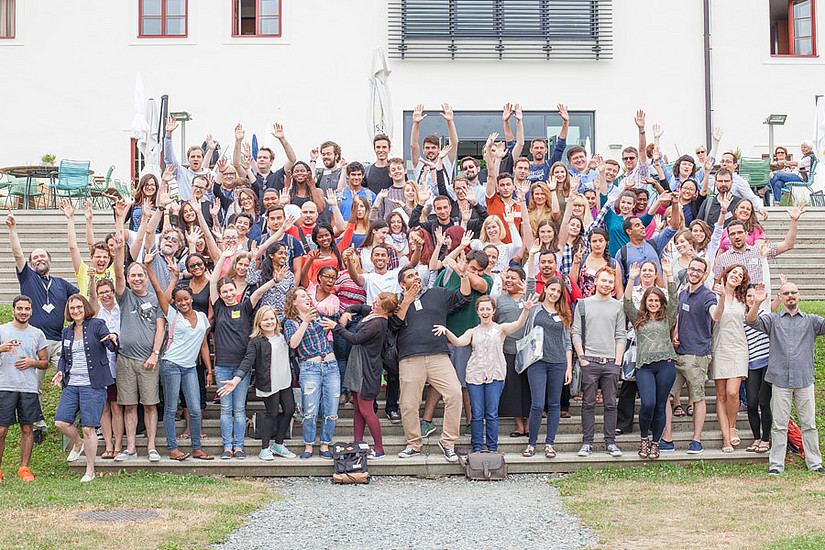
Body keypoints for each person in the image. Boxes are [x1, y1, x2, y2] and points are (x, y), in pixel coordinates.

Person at [434, 294, 536, 453]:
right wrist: (446, 331)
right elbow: (459, 342)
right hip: (475, 375)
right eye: (482, 309)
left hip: (495, 374)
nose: (485, 312)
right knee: (477, 413)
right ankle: (476, 447)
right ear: (478, 312)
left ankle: (492, 448)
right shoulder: (473, 331)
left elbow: (517, 324)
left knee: (492, 413)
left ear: (493, 311)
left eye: (488, 309)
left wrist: (526, 311)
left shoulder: (500, 329)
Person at [392, 261, 472, 462]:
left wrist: (463, 275)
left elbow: (464, 297)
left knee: (454, 394)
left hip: (439, 355)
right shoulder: (396, 301)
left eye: (416, 274)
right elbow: (393, 325)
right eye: (410, 276)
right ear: (402, 284)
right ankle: (413, 444)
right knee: (408, 404)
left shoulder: (437, 293)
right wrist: (406, 302)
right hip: (410, 359)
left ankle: (448, 443)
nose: (416, 277)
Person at [7, 210, 79, 434]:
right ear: (31, 263)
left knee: (73, 376)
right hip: (33, 340)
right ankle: (37, 425)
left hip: (58, 340)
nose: (40, 259)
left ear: (49, 261)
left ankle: (72, 417)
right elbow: (18, 254)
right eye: (35, 257)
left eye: (43, 257)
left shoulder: (61, 283)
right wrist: (12, 229)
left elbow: (80, 299)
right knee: (32, 386)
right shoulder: (27, 278)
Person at [746, 281, 825, 476]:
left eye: (793, 292)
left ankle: (814, 463)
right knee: (779, 425)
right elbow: (751, 321)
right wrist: (757, 303)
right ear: (780, 297)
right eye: (786, 293)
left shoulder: (811, 321)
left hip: (804, 380)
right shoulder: (772, 320)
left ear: (799, 296)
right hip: (780, 381)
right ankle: (776, 464)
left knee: (809, 425)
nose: (790, 295)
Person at [145, 252, 213, 461]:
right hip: (171, 365)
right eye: (179, 300)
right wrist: (149, 267)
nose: (183, 303)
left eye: (186, 299)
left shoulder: (202, 317)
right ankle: (173, 448)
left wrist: (209, 370)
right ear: (174, 302)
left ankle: (197, 447)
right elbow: (158, 290)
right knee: (171, 407)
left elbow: (202, 344)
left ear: (191, 298)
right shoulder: (172, 314)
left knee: (194, 408)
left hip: (191, 368)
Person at [211, 247, 277, 459]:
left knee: (239, 409)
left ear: (235, 291)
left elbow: (257, 292)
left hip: (242, 368)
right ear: (220, 295)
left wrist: (275, 281)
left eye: (231, 290)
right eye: (225, 292)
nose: (229, 294)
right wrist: (222, 257)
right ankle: (227, 447)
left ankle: (238, 446)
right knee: (225, 410)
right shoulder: (219, 307)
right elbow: (213, 282)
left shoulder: (245, 307)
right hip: (222, 366)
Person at [320, 292, 399, 459]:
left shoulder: (378, 322)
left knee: (366, 409)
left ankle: (379, 449)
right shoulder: (373, 312)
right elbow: (358, 307)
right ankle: (358, 443)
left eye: (377, 303)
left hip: (367, 368)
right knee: (357, 409)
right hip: (357, 364)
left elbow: (355, 339)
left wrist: (336, 327)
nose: (373, 303)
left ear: (384, 309)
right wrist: (348, 311)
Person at [53, 294, 118, 482]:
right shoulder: (66, 331)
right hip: (72, 384)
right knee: (61, 422)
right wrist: (60, 372)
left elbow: (111, 346)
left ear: (85, 307)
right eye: (72, 308)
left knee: (89, 428)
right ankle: (78, 443)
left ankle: (90, 470)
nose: (76, 311)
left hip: (93, 385)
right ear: (68, 311)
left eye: (79, 307)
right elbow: (64, 357)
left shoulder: (97, 324)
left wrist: (112, 338)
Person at [111, 234, 164, 463]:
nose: (136, 278)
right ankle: (130, 447)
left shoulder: (155, 299)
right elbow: (118, 274)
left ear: (145, 277)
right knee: (129, 406)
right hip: (125, 359)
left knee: (150, 405)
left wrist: (155, 353)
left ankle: (151, 446)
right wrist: (117, 248)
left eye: (140, 274)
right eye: (132, 275)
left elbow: (161, 328)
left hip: (148, 360)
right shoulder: (124, 297)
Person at [218, 306, 296, 460]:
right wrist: (236, 380)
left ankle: (278, 444)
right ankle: (264, 448)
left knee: (289, 410)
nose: (269, 322)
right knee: (271, 413)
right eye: (265, 319)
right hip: (269, 382)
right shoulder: (256, 341)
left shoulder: (283, 336)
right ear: (259, 323)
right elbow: (247, 361)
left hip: (285, 381)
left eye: (272, 318)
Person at [623, 259, 678, 460]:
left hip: (666, 366)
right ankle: (644, 438)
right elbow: (627, 302)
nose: (653, 303)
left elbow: (674, 299)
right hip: (644, 367)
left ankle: (656, 443)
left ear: (660, 303)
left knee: (661, 403)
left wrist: (669, 273)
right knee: (648, 403)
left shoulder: (668, 317)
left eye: (656, 300)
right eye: (650, 300)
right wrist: (631, 279)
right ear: (645, 302)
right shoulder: (638, 319)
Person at [661, 257, 717, 454]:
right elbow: (678, 316)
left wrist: (722, 300)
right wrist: (675, 332)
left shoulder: (708, 296)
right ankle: (667, 438)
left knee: (698, 397)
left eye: (698, 270)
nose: (694, 273)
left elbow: (715, 314)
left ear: (704, 274)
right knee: (665, 395)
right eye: (692, 269)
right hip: (678, 354)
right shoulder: (684, 293)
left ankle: (696, 440)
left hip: (697, 355)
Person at [572, 267, 626, 458]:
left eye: (610, 282)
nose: (607, 284)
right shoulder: (583, 304)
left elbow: (621, 334)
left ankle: (610, 442)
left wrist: (617, 362)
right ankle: (587, 442)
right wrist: (582, 357)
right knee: (588, 404)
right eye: (603, 280)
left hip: (610, 361)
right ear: (595, 281)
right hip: (590, 362)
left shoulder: (618, 306)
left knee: (611, 404)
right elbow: (576, 332)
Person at [283, 287, 339, 459]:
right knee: (310, 411)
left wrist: (332, 314)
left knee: (331, 409)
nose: (307, 298)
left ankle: (324, 445)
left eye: (308, 296)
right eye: (302, 296)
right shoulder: (290, 323)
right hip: (310, 368)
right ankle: (308, 446)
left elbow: (332, 326)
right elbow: (293, 344)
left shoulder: (318, 317)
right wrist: (305, 321)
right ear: (294, 302)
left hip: (330, 365)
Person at [520, 279, 573, 458]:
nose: (554, 294)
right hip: (538, 362)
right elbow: (529, 287)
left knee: (554, 404)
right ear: (545, 289)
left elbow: (567, 342)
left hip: (558, 363)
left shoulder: (563, 313)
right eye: (552, 289)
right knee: (537, 404)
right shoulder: (535, 308)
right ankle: (532, 444)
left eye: (558, 291)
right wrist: (533, 254)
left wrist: (568, 367)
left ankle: (550, 443)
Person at [0, 295, 48, 482]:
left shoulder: (37, 334)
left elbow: (44, 363)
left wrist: (32, 362)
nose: (23, 312)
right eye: (19, 308)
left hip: (28, 387)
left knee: (27, 428)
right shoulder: (3, 330)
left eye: (26, 309)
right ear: (13, 310)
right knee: (2, 430)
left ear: (31, 311)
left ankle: (24, 468)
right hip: (4, 386)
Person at [710, 264, 750, 453]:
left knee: (733, 392)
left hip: (739, 348)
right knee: (721, 395)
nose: (736, 276)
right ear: (726, 274)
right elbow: (716, 317)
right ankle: (726, 439)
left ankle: (732, 426)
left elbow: (755, 315)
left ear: (742, 281)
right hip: (720, 347)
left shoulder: (743, 299)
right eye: (734, 272)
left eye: (740, 275)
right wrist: (721, 298)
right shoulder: (714, 294)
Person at [88, 279, 123, 461]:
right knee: (104, 408)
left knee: (117, 407)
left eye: (108, 291)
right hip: (101, 364)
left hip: (119, 363)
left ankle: (118, 445)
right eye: (102, 293)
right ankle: (108, 445)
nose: (106, 295)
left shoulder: (121, 310)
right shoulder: (95, 313)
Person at [495, 266, 533, 435]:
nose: (509, 280)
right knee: (513, 388)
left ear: (522, 281)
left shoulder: (529, 297)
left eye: (513, 278)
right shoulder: (500, 300)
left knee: (529, 386)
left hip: (529, 351)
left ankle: (530, 422)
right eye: (507, 277)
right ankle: (519, 424)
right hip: (507, 349)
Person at [60, 200, 115, 297]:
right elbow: (73, 247)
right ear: (91, 257)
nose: (101, 260)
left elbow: (120, 245)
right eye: (98, 256)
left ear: (109, 259)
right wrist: (70, 219)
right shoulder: (84, 271)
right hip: (89, 311)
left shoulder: (113, 271)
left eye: (105, 257)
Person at [744, 284, 771, 454]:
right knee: (752, 403)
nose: (752, 299)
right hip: (752, 364)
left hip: (768, 363)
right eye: (748, 296)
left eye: (754, 296)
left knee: (764, 401)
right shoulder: (744, 317)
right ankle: (756, 438)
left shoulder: (765, 315)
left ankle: (766, 439)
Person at [163, 115, 216, 201]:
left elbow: (215, 197)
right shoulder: (181, 173)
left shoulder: (211, 175)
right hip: (186, 211)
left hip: (205, 211)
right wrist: (168, 135)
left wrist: (211, 150)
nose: (195, 159)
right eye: (192, 156)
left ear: (202, 159)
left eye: (198, 157)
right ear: (188, 159)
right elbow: (169, 158)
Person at [411, 103, 459, 193]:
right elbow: (413, 145)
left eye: (433, 148)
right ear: (423, 150)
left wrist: (450, 121)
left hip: (442, 205)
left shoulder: (446, 163)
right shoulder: (419, 164)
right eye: (427, 148)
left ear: (439, 150)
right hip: (423, 205)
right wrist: (416, 123)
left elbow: (454, 143)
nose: (430, 150)